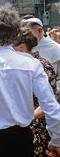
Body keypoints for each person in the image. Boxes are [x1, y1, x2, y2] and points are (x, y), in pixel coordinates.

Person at [0, 4, 60, 157]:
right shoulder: (31, 63)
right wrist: (56, 140)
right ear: (15, 33)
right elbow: (50, 106)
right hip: (21, 136)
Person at [13, 27, 57, 156]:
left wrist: (25, 117)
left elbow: (49, 103)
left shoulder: (42, 66)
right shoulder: (18, 65)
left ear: (21, 47)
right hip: (22, 125)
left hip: (38, 128)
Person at [22, 17, 60, 93]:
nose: (24, 37)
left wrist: (54, 92)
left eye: (28, 33)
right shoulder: (21, 47)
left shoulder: (56, 49)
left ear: (39, 31)